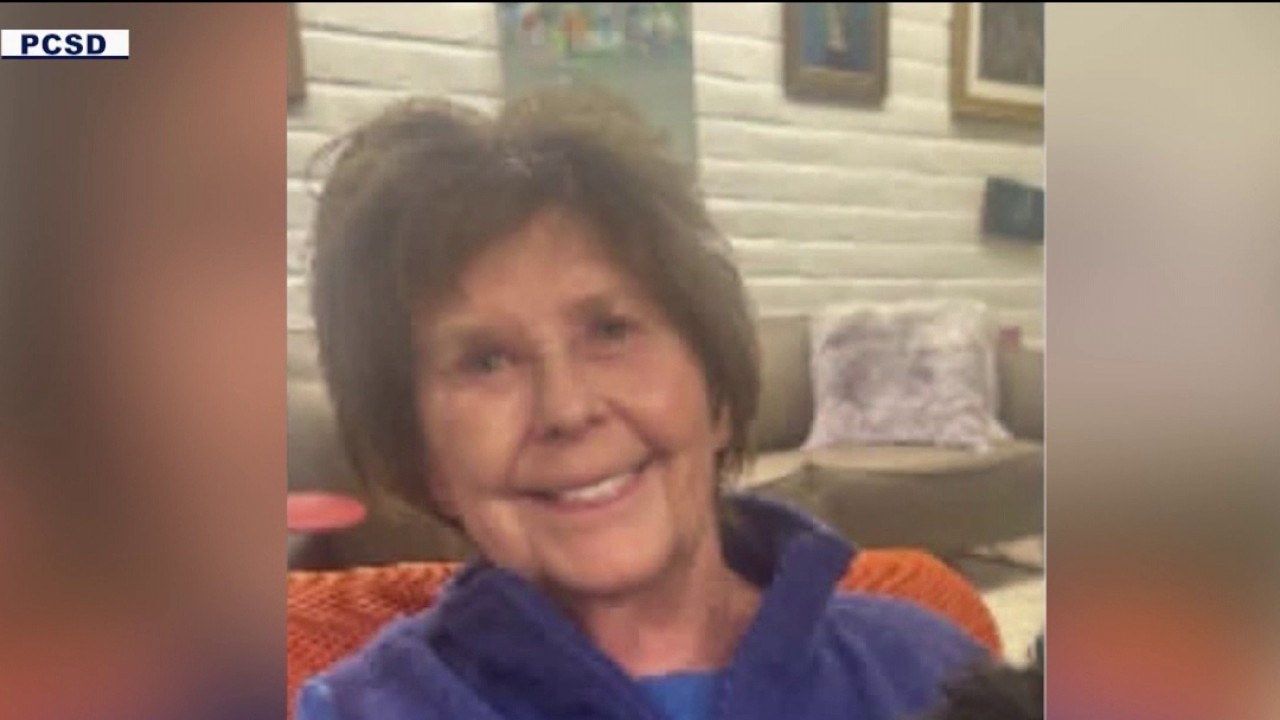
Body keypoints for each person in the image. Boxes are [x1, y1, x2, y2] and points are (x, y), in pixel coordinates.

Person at [294, 86, 989, 720]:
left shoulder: (934, 675)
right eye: (486, 362)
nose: (567, 409)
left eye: (610, 331)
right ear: (425, 459)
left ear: (716, 390)